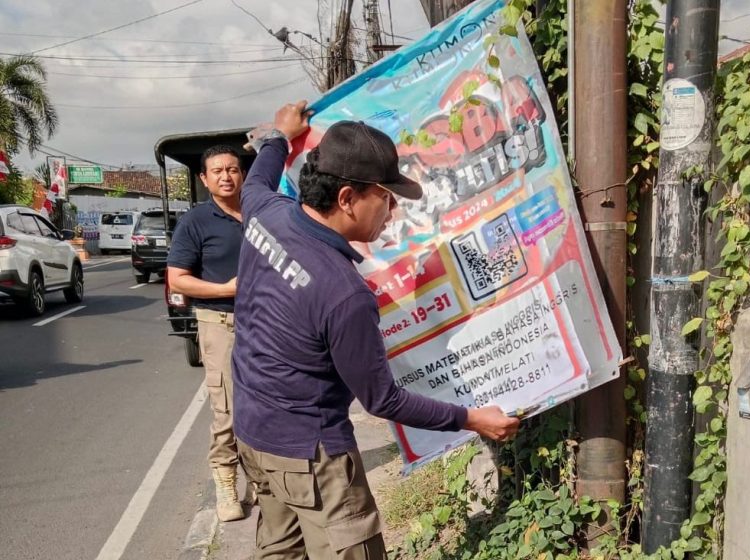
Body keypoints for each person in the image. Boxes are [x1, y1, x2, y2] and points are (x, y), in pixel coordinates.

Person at [231, 101, 520, 559]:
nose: (392, 210)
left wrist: (279, 137)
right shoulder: (343, 293)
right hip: (312, 459)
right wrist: (471, 418)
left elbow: (257, 178)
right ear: (347, 198)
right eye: (385, 197)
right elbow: (383, 400)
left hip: (252, 432)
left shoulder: (266, 213)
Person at [167, 145, 251, 522]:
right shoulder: (195, 222)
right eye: (217, 171)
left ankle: (262, 482)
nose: (226, 176)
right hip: (221, 324)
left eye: (232, 169)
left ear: (242, 173)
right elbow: (178, 279)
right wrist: (225, 289)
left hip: (266, 323)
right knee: (228, 410)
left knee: (268, 404)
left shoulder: (260, 213)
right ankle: (226, 485)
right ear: (204, 178)